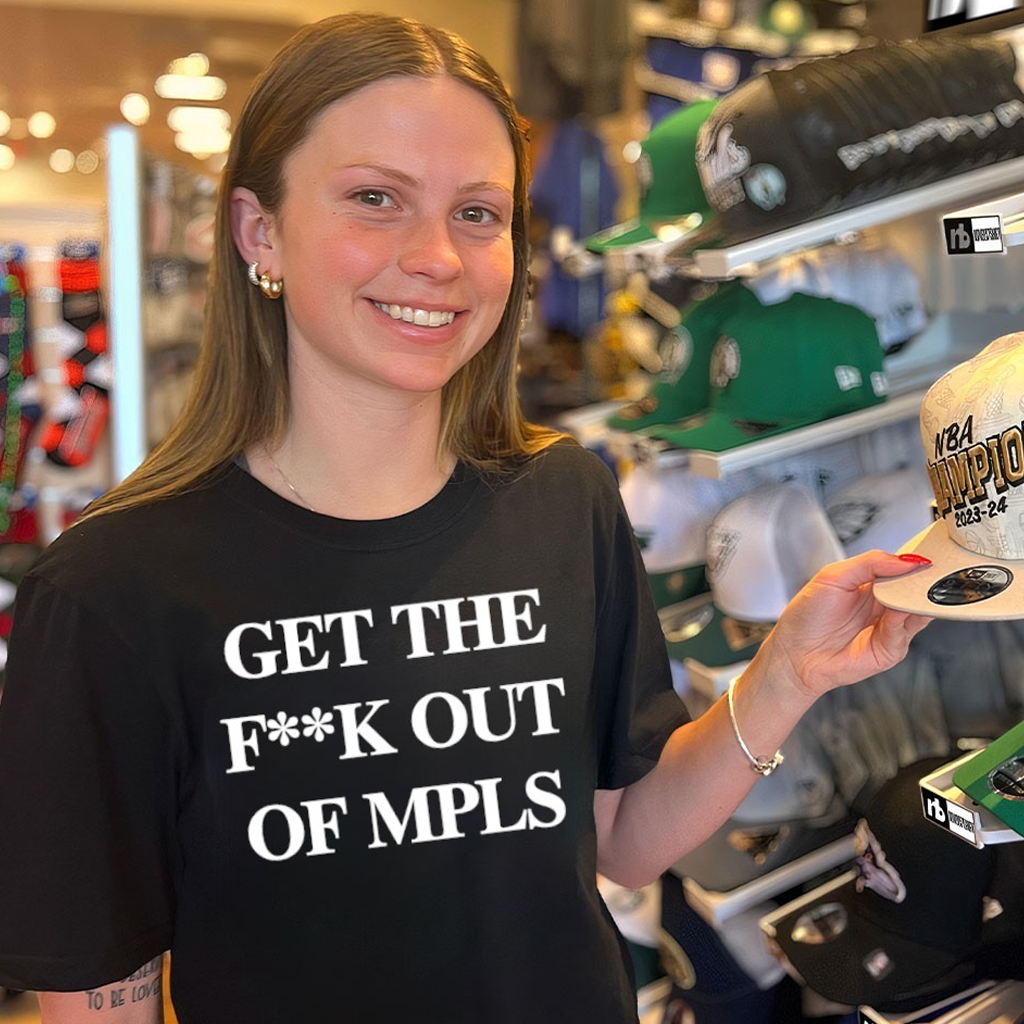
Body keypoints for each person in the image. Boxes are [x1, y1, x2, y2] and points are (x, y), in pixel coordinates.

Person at [0, 12, 932, 1024]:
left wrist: (786, 672)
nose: (439, 255)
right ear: (257, 230)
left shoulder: (562, 499)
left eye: (479, 213)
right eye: (374, 198)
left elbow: (622, 834)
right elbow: (101, 988)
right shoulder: (112, 592)